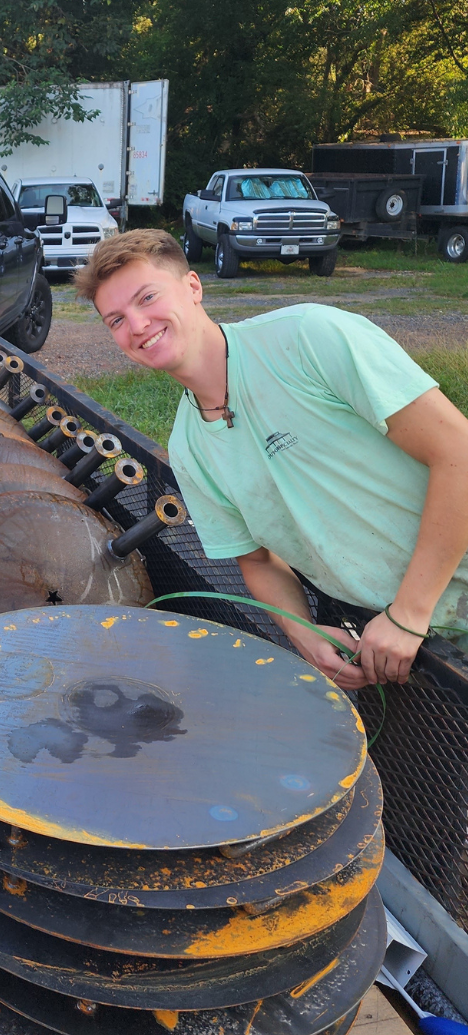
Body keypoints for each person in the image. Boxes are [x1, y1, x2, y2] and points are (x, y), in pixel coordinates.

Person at [76, 228, 468, 690]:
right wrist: (303, 634)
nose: (137, 325)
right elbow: (256, 559)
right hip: (394, 643)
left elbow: (457, 454)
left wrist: (408, 613)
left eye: (147, 297)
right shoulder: (189, 446)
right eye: (116, 320)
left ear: (193, 287)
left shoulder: (307, 339)